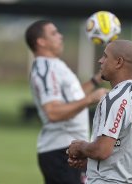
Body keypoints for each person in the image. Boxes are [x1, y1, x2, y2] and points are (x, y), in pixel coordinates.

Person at [25, 20, 107, 184]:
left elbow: (74, 98)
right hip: (60, 151)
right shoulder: (45, 69)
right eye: (54, 33)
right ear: (41, 41)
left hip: (71, 149)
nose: (60, 36)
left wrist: (96, 79)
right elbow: (53, 112)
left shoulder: (54, 65)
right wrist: (91, 99)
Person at [68, 40, 132, 184]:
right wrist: (90, 160)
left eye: (105, 56)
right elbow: (121, 148)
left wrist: (80, 147)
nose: (100, 61)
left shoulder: (115, 98)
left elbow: (102, 150)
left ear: (119, 62)